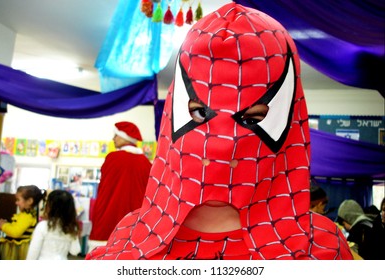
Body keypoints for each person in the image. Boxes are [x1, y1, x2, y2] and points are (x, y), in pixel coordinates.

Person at [86, 3, 352, 260]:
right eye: (200, 113)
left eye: (251, 118)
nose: (220, 147)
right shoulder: (128, 242)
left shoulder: (321, 250)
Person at [87, 121, 152, 252]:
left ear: (124, 137)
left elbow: (104, 191)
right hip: (135, 221)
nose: (113, 139)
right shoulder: (146, 163)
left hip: (109, 218)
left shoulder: (113, 158)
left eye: (116, 135)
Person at [26, 190, 81, 260]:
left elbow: (33, 253)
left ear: (49, 206)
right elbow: (75, 251)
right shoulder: (72, 228)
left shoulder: (42, 226)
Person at [0, 185, 46, 260]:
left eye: (18, 200)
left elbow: (16, 232)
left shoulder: (27, 217)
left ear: (29, 201)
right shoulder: (25, 215)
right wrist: (7, 225)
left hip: (17, 249)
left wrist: (3, 226)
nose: (16, 203)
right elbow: (17, 227)